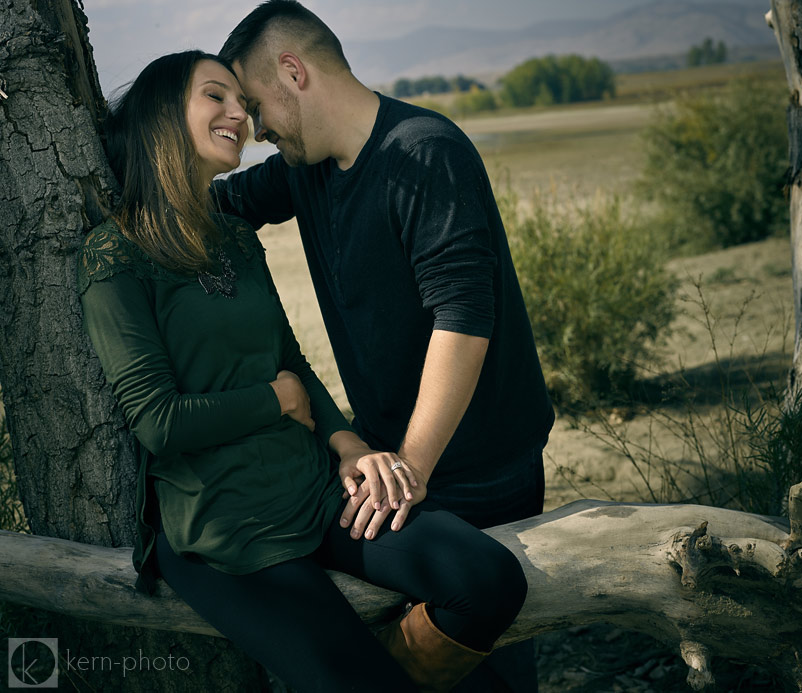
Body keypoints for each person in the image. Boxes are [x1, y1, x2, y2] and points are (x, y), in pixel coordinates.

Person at [77, 49, 527, 693]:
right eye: (217, 97)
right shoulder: (113, 255)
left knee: (491, 579)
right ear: (161, 119)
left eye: (244, 101)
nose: (241, 116)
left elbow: (290, 361)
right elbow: (157, 424)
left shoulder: (233, 235)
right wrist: (273, 399)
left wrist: (348, 446)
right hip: (224, 531)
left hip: (315, 489)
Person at [213, 5, 554, 687]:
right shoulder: (302, 167)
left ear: (292, 71)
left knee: (492, 668)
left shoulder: (423, 151)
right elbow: (219, 204)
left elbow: (462, 320)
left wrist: (412, 465)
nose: (255, 130)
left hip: (481, 472)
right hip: (392, 467)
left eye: (253, 105)